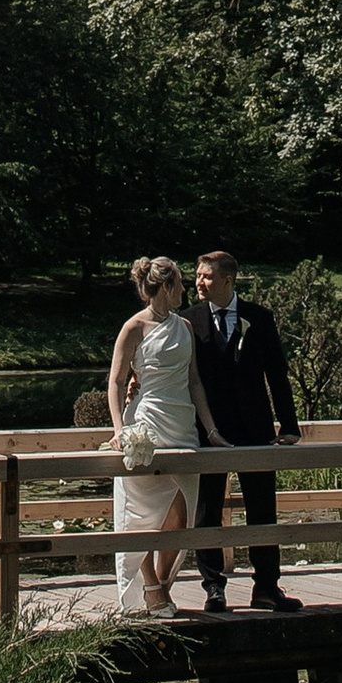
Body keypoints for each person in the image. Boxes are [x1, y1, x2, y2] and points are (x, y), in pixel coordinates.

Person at [105, 255, 221, 616]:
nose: (186, 290)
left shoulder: (184, 327)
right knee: (141, 512)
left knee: (181, 511)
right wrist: (119, 430)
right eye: (181, 284)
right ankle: (152, 590)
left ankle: (161, 581)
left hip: (182, 424)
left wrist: (212, 431)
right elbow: (116, 380)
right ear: (166, 287)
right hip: (147, 422)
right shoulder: (134, 327)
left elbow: (194, 381)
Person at [189, 250, 303, 612]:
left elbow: (277, 374)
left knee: (262, 508)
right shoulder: (188, 320)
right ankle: (213, 587)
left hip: (255, 427)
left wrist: (289, 424)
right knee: (207, 508)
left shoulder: (259, 318)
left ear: (227, 280)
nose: (199, 281)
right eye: (197, 275)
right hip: (209, 429)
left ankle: (267, 587)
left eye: (206, 276)